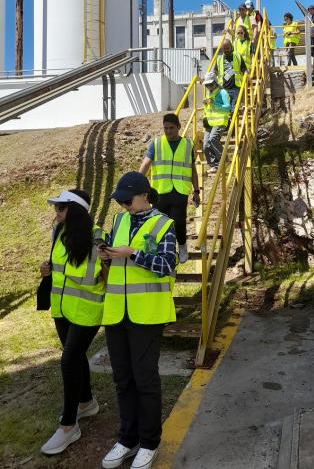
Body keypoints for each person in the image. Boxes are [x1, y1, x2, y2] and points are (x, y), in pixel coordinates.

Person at [100, 172, 177, 469]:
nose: (123, 205)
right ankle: (127, 438)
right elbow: (111, 251)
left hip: (147, 315)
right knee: (122, 379)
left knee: (145, 380)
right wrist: (105, 253)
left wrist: (133, 253)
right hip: (117, 312)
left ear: (144, 195)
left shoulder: (164, 224)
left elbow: (167, 265)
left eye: (127, 199)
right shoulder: (119, 221)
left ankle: (149, 442)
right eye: (120, 200)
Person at [39, 189, 105, 456]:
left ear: (74, 211)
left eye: (61, 209)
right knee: (75, 358)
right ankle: (87, 402)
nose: (56, 214)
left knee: (68, 360)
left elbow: (92, 273)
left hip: (87, 310)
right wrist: (48, 268)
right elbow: (60, 266)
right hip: (62, 307)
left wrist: (57, 270)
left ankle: (69, 426)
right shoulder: (59, 232)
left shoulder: (96, 236)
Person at [138, 113, 200, 264]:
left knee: (178, 221)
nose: (168, 131)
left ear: (179, 127)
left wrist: (196, 191)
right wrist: (138, 183)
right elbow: (146, 164)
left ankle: (183, 246)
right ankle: (154, 250)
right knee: (157, 222)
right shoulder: (156, 143)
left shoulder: (188, 145)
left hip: (180, 191)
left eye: (172, 128)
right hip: (160, 192)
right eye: (166, 128)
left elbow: (193, 170)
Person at [202, 72, 231, 173]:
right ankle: (214, 165)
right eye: (207, 85)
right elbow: (209, 109)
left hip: (220, 121)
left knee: (213, 138)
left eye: (210, 84)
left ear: (215, 82)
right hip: (210, 123)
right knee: (205, 145)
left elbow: (228, 108)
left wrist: (215, 103)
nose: (208, 86)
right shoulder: (209, 93)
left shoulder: (222, 92)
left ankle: (224, 158)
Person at [214, 38, 246, 112]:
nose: (226, 50)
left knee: (233, 110)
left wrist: (247, 74)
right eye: (224, 49)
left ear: (231, 47)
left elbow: (244, 69)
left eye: (228, 48)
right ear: (222, 49)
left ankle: (233, 122)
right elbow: (215, 72)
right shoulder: (219, 59)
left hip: (235, 88)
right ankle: (230, 123)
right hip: (223, 89)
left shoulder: (238, 56)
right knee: (226, 110)